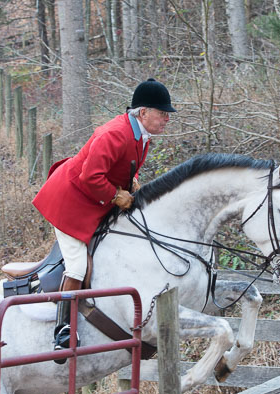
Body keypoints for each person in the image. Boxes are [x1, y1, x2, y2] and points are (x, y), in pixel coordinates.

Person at [32, 78, 176, 359]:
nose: (166, 119)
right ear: (144, 112)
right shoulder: (113, 133)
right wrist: (114, 195)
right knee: (76, 266)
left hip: (91, 201)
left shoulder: (140, 135)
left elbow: (118, 167)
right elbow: (90, 176)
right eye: (163, 113)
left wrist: (131, 180)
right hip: (69, 202)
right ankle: (63, 332)